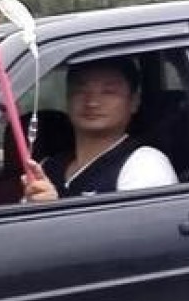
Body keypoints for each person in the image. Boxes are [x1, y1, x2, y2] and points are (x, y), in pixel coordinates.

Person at [22, 58, 178, 203]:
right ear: (68, 98)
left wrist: (54, 211)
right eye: (80, 90)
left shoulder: (144, 164)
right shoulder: (48, 166)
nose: (92, 102)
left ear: (134, 101)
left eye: (108, 92)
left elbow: (134, 230)